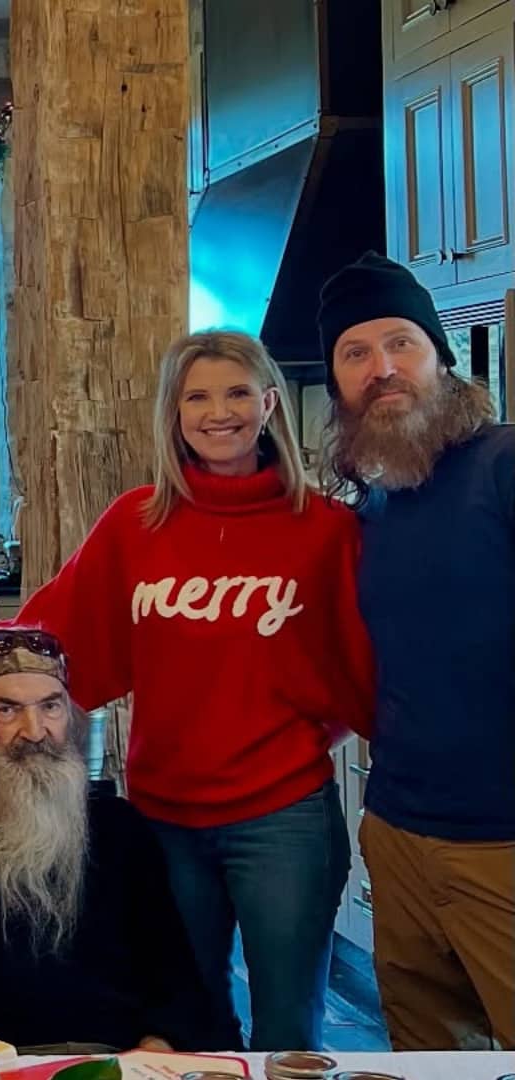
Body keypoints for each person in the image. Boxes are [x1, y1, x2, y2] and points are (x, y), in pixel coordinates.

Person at [0, 330, 374, 1050]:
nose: (218, 412)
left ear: (270, 404)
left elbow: (362, 662)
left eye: (237, 393)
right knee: (192, 1022)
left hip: (283, 817)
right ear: (173, 414)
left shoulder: (327, 529)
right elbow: (43, 632)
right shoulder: (137, 523)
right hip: (164, 816)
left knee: (288, 1028)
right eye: (197, 397)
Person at [0, 627, 237, 1052]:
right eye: (6, 710)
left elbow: (175, 976)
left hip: (112, 1062)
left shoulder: (119, 829)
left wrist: (153, 1052)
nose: (35, 731)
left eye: (50, 706)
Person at [316, 252, 515, 1049]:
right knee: (428, 1059)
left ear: (441, 357)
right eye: (355, 353)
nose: (383, 368)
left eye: (401, 342)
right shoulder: (374, 507)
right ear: (338, 385)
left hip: (502, 844)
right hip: (397, 838)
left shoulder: (504, 466)